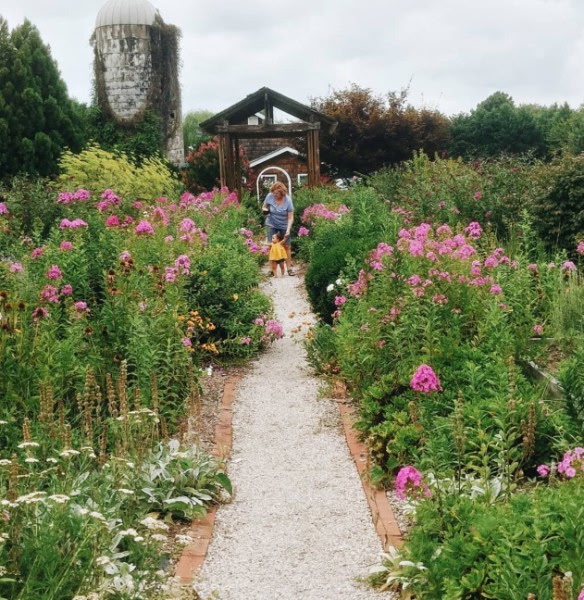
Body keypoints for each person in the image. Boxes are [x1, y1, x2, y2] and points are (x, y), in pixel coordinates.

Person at [262, 181, 295, 275]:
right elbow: (264, 206)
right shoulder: (270, 196)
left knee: (287, 246)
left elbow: (290, 217)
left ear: (282, 193)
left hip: (284, 224)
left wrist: (288, 229)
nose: (274, 195)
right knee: (271, 246)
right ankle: (271, 270)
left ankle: (289, 269)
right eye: (273, 193)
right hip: (271, 223)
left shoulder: (288, 201)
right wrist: (265, 210)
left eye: (277, 193)